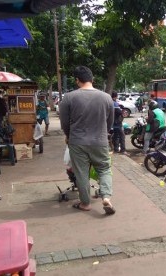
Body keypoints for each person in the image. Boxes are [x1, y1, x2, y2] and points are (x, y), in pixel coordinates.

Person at [59, 66, 116, 215]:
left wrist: (68, 135)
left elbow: (64, 123)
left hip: (77, 142)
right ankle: (106, 197)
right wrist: (104, 134)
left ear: (77, 80)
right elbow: (109, 122)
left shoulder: (69, 97)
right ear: (93, 79)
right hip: (100, 140)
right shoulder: (106, 97)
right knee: (104, 169)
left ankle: (85, 204)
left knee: (81, 173)